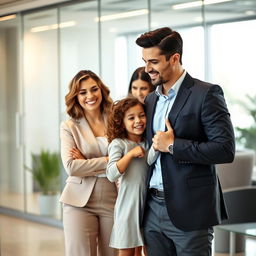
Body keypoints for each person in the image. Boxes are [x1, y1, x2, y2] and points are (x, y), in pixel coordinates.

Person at [135, 27, 235, 256]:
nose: (147, 68)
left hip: (190, 211)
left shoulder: (206, 94)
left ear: (174, 58)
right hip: (151, 210)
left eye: (153, 61)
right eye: (144, 61)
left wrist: (173, 145)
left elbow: (225, 149)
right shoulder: (150, 99)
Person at [59, 70, 117, 256]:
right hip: (78, 201)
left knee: (113, 253)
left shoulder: (116, 120)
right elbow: (71, 167)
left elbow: (129, 156)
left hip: (114, 197)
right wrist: (111, 160)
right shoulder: (69, 126)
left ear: (101, 90)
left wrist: (88, 163)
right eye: (83, 92)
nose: (90, 96)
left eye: (94, 89)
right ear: (76, 96)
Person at [106, 97, 155, 256]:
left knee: (141, 251)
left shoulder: (148, 143)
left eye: (141, 115)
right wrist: (130, 154)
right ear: (121, 122)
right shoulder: (118, 144)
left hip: (147, 209)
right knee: (127, 251)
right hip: (128, 209)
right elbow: (111, 174)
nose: (138, 121)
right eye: (131, 117)